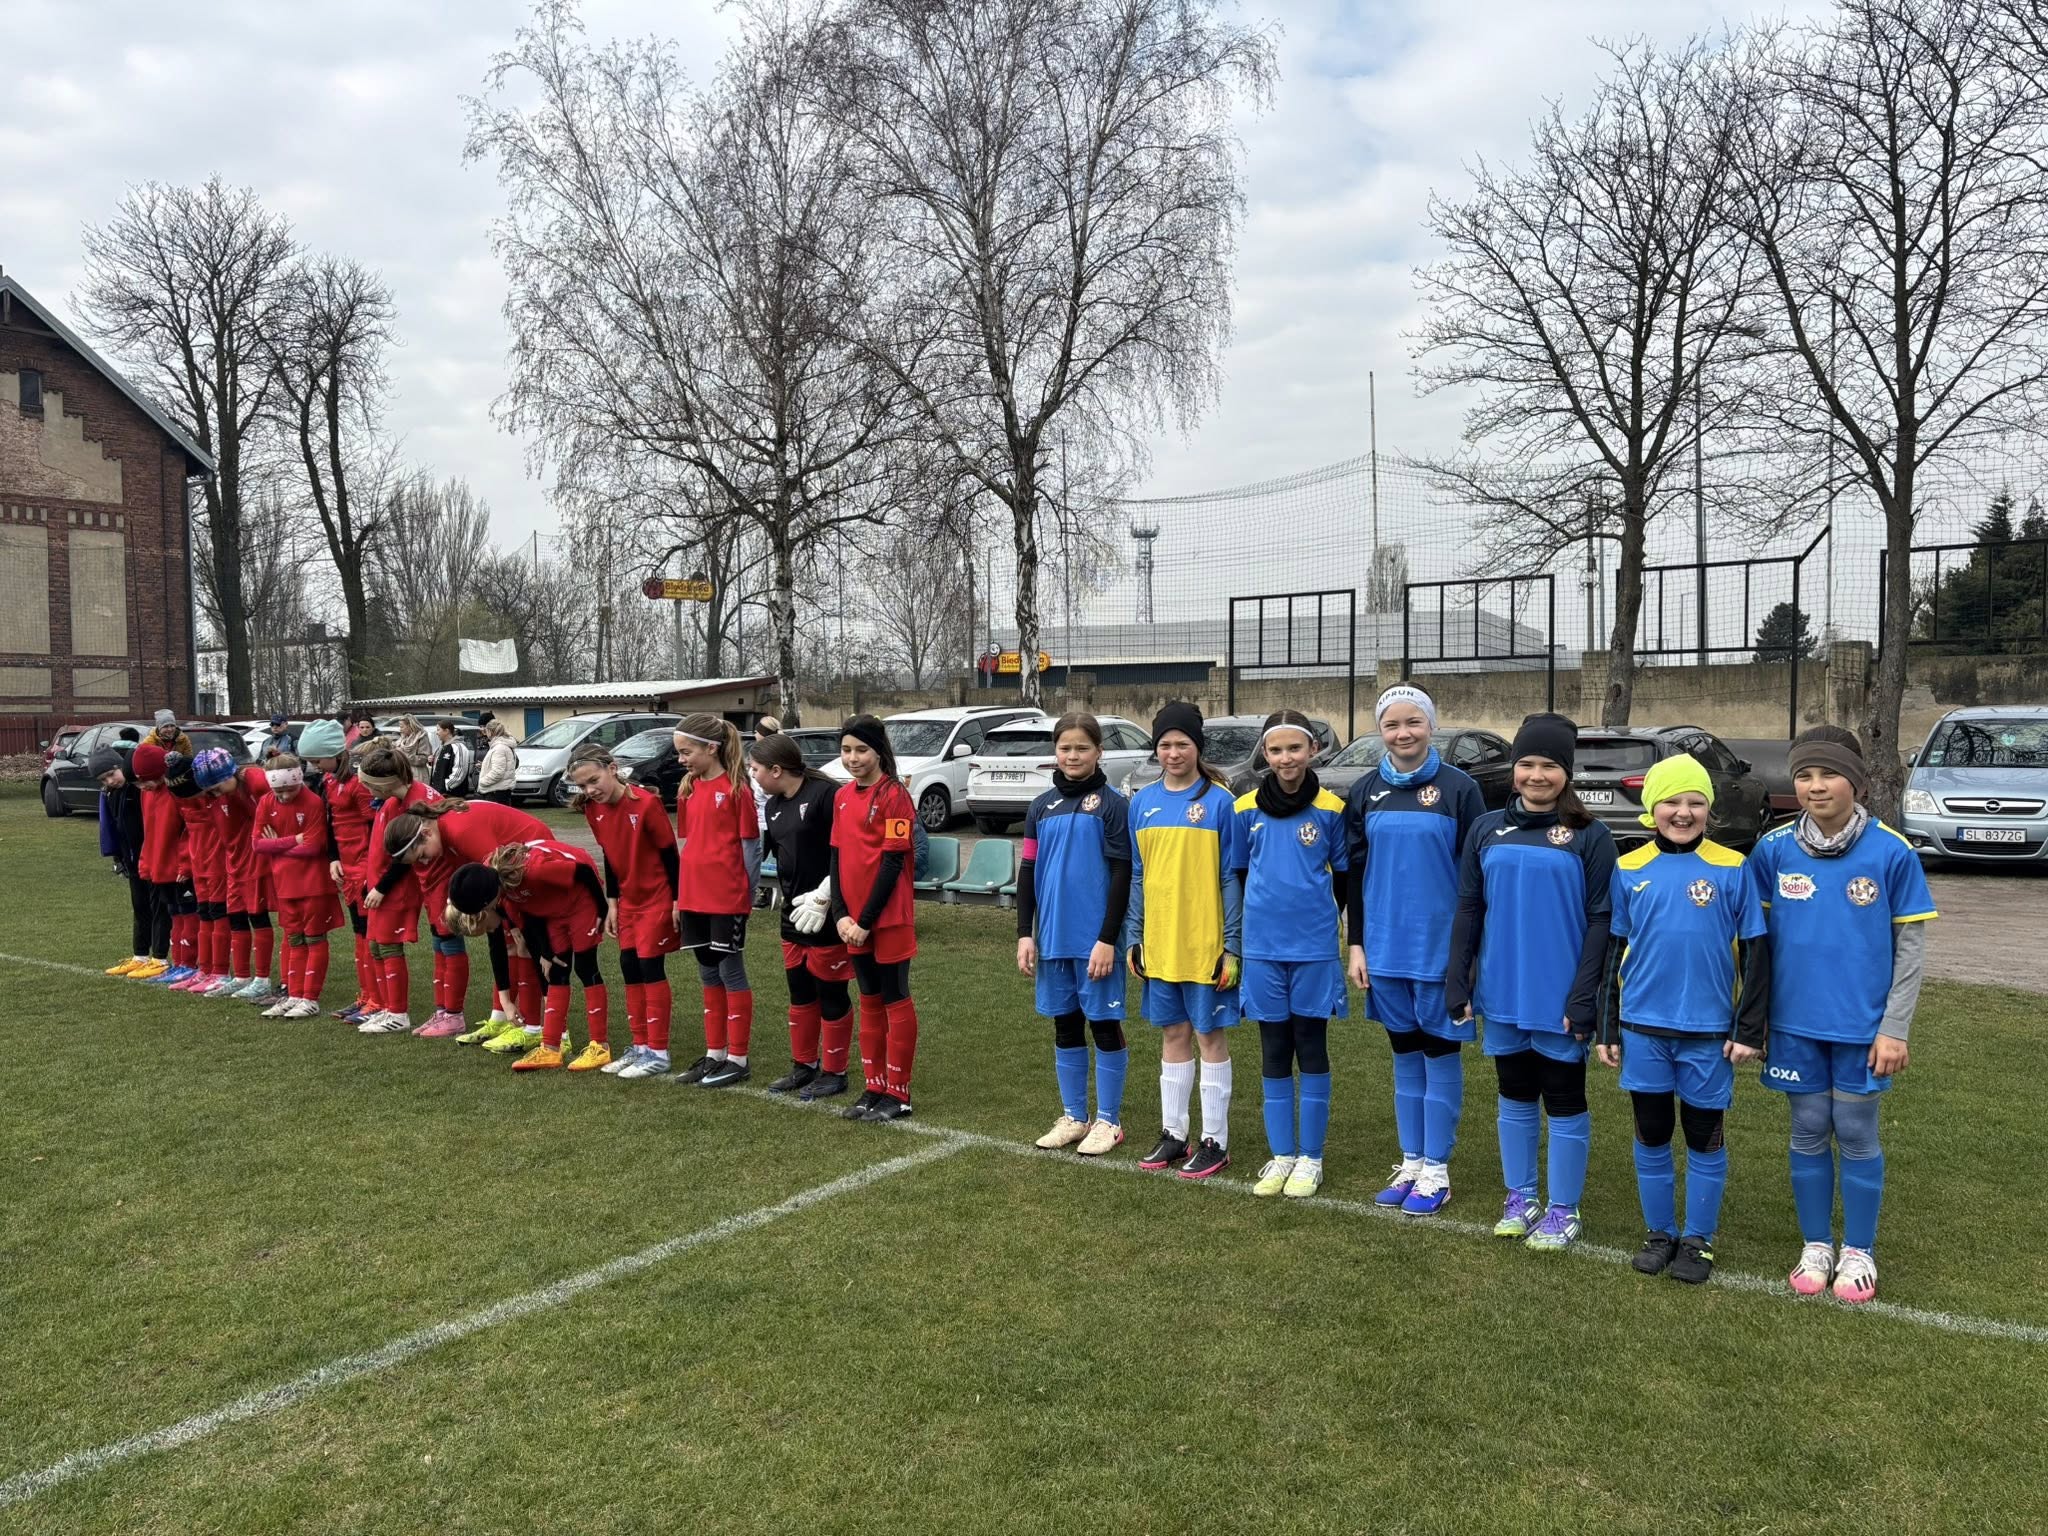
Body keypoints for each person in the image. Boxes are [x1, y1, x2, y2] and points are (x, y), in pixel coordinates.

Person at [1748, 725, 1935, 1306]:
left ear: (1856, 782)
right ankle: (1816, 1245)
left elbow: (1910, 950)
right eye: (1804, 775)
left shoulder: (1892, 851)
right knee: (1807, 1127)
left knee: (1854, 1131)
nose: (1816, 786)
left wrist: (1895, 1028)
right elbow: (1755, 946)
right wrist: (1754, 1020)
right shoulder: (1773, 850)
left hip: (1863, 1028)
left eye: (1828, 774)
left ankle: (1858, 1250)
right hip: (1793, 1026)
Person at [1595, 754, 1769, 1286]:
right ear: (1652, 809)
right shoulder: (1629, 867)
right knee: (1651, 1133)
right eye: (1671, 801)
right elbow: (1614, 951)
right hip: (1643, 1028)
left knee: (1703, 1135)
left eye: (1695, 802)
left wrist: (1748, 1029)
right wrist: (1608, 1026)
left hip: (1709, 1033)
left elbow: (1756, 953)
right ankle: (1659, 1233)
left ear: (1709, 810)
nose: (1683, 812)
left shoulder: (1733, 867)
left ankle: (1698, 1239)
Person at [1446, 712, 1616, 1253]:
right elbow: (1469, 908)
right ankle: (1520, 1197)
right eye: (1526, 764)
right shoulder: (1485, 828)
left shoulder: (1590, 836)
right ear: (1513, 769)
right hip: (1503, 987)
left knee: (1563, 1096)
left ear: (1566, 772)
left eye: (1548, 765)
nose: (1536, 775)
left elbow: (1602, 920)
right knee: (1514, 1092)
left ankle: (1564, 1208)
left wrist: (1584, 994)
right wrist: (1458, 978)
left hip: (1559, 993)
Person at [1343, 686, 1487, 1217]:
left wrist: (1469, 954)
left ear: (1431, 725)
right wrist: (1357, 944)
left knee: (1439, 1053)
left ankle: (1437, 1172)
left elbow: (1476, 878)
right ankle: (1411, 1162)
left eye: (1413, 722)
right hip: (1385, 948)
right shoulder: (1365, 791)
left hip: (1440, 950)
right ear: (1380, 730)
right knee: (1404, 1054)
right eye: (1392, 724)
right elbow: (1355, 874)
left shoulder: (1460, 789)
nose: (1403, 733)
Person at [1232, 709, 1350, 1199]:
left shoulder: (1332, 808)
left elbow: (1342, 877)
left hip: (1314, 949)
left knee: (1311, 1045)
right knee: (1274, 1048)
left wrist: (1320, 920)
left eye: (1295, 748)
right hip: (1263, 949)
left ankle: (1311, 1159)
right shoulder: (1244, 809)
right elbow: (1240, 874)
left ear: (1313, 750)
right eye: (1276, 750)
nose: (1286, 758)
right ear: (1265, 753)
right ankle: (1282, 1156)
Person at [1126, 702, 1244, 1179]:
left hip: (1205, 945)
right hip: (1160, 943)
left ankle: (1216, 1140)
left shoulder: (1220, 803)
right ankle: (1174, 1134)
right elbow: (1138, 875)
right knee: (1173, 1034)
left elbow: (1231, 878)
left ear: (1198, 747)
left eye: (1182, 744)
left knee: (1209, 1036)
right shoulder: (1142, 803)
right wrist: (1135, 936)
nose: (1173, 753)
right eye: (1165, 744)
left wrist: (1232, 945)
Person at [1017, 712, 1133, 1157]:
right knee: (1065, 1025)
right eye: (1065, 748)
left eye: (1082, 747)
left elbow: (1121, 873)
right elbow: (1028, 871)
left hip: (1095, 942)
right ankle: (1074, 1116)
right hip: (1053, 938)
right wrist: (1025, 933)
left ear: (1098, 752)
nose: (1072, 755)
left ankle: (1109, 1121)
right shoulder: (1040, 807)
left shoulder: (1112, 805)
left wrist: (1107, 938)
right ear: (1055, 752)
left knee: (1103, 1025)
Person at [381, 796, 554, 1046]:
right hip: (508, 867)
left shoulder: (460, 831)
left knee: (520, 941)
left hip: (531, 855)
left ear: (426, 833)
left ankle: (532, 1026)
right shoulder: (444, 836)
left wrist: (514, 921)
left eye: (421, 855)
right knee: (506, 939)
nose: (424, 862)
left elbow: (496, 877)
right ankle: (502, 1017)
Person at [446, 839, 612, 1072]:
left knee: (586, 967)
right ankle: (551, 1048)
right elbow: (530, 916)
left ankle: (600, 1046)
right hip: (553, 909)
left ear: (488, 900)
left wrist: (603, 909)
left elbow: (583, 871)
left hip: (581, 900)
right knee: (556, 970)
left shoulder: (534, 871)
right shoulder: (496, 887)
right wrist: (545, 952)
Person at [749, 732, 853, 1098]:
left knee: (831, 993)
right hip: (793, 916)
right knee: (800, 992)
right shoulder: (772, 806)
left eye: (756, 769)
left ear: (777, 770)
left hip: (827, 912)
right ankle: (803, 1065)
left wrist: (826, 895)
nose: (753, 775)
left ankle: (835, 1071)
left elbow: (847, 852)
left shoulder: (825, 796)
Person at [568, 741, 681, 1077]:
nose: (590, 790)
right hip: (628, 901)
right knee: (629, 966)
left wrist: (678, 901)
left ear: (612, 769)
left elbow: (670, 856)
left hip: (657, 897)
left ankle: (658, 1052)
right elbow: (610, 855)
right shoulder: (592, 809)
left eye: (593, 780)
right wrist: (612, 904)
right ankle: (640, 1046)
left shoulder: (646, 804)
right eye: (582, 786)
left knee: (649, 966)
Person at [830, 715, 921, 1122]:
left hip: (887, 918)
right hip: (853, 921)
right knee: (868, 998)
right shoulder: (842, 796)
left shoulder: (895, 795)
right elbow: (835, 857)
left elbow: (892, 862)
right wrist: (840, 914)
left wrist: (865, 920)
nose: (853, 758)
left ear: (879, 751)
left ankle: (898, 1093)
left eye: (861, 750)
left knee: (894, 996)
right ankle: (874, 1085)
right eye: (846, 750)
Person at [670, 714, 762, 1089]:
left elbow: (751, 848)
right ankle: (714, 1053)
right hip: (694, 897)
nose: (681, 760)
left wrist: (746, 895)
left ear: (711, 748)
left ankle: (738, 1059)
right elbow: (689, 844)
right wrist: (680, 896)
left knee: (730, 972)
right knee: (707, 972)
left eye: (686, 752)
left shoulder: (737, 789)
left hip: (726, 898)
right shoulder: (688, 789)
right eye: (678, 753)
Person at [355, 743, 441, 1035]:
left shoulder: (414, 804)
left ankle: (398, 1013)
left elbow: (407, 854)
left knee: (388, 944)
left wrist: (381, 887)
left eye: (369, 785)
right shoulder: (393, 801)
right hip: (381, 885)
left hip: (396, 889)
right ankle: (386, 1007)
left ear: (385, 784)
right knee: (376, 946)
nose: (366, 790)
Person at [251, 754, 340, 1019]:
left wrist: (277, 845)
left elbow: (313, 847)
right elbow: (257, 844)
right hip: (285, 883)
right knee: (294, 939)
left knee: (314, 938)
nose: (285, 795)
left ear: (299, 781)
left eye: (290, 789)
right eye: (279, 791)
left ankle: (310, 998)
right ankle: (295, 995)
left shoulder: (313, 802)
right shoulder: (266, 802)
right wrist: (293, 840)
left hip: (313, 884)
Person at [195, 747, 278, 1002]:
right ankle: (241, 976)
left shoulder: (254, 781)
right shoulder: (218, 797)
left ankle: (262, 979)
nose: (216, 793)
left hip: (254, 859)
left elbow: (278, 807)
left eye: (218, 787)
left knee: (257, 915)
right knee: (236, 917)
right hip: (234, 860)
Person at [312, 728, 380, 1021]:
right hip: (346, 864)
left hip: (364, 863)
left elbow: (374, 826)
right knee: (358, 931)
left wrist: (371, 868)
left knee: (368, 931)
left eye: (317, 759)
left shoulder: (358, 783)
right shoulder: (328, 781)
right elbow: (329, 823)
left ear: (333, 754)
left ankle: (377, 999)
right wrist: (333, 858)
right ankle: (365, 995)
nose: (314, 765)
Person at [127, 743, 188, 983]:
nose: (143, 786)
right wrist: (146, 862)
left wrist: (184, 863)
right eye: (140, 783)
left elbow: (188, 831)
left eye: (147, 781)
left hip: (176, 868)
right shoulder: (147, 793)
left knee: (180, 915)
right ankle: (162, 959)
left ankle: (171, 960)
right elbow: (150, 831)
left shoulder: (176, 792)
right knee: (163, 910)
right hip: (157, 865)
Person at [167, 753, 227, 992]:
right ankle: (205, 969)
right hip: (198, 860)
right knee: (204, 913)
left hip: (218, 860)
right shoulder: (182, 798)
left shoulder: (214, 797)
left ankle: (220, 971)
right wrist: (186, 864)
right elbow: (186, 833)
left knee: (218, 913)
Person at [95, 747, 153, 977]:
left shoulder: (139, 790)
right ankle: (140, 955)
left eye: (111, 774)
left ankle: (162, 957)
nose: (110, 781)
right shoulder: (111, 794)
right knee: (139, 907)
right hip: (131, 861)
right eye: (104, 779)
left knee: (162, 909)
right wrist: (119, 857)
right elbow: (116, 828)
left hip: (151, 859)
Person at [476, 720, 519, 805]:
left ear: (491, 732)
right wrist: (484, 765)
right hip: (501, 790)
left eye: (486, 731)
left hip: (496, 792)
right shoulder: (502, 745)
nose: (485, 733)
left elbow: (498, 772)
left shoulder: (499, 748)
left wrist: (482, 782)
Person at [430, 721, 475, 796]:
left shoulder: (459, 747)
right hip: (439, 792)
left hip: (452, 794)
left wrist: (446, 786)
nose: (436, 733)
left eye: (438, 730)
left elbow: (460, 770)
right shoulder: (441, 747)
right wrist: (431, 761)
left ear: (446, 731)